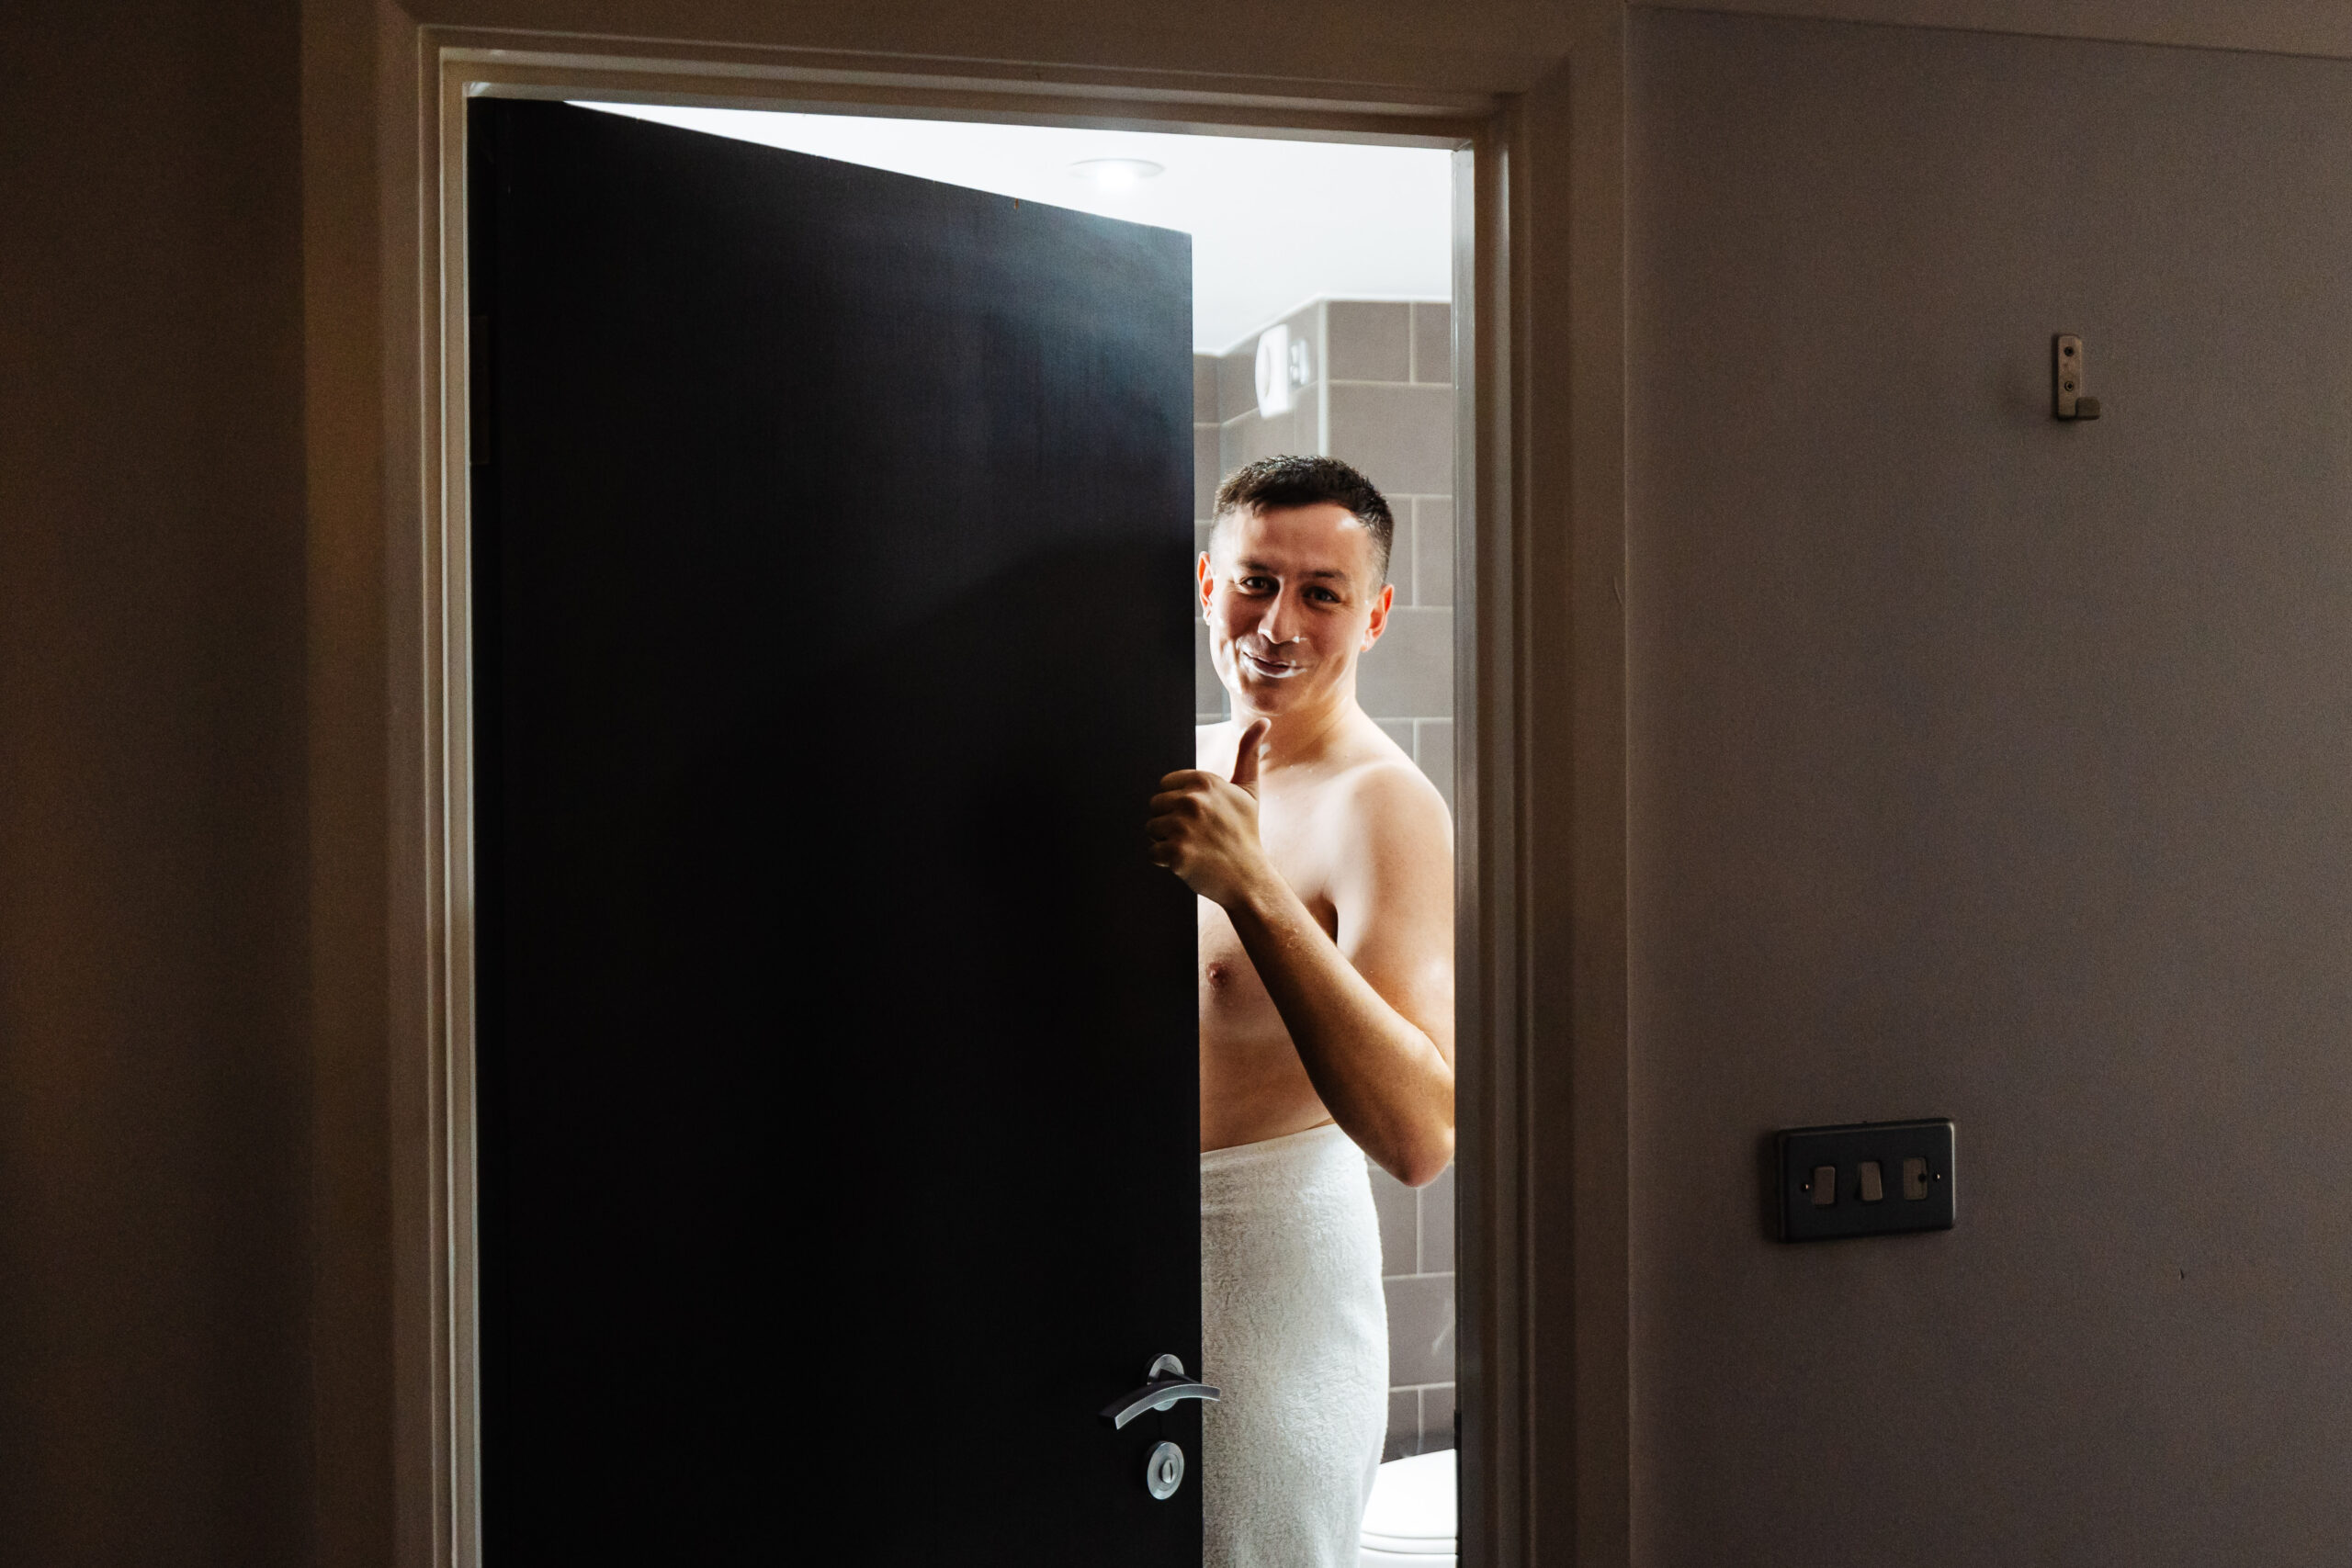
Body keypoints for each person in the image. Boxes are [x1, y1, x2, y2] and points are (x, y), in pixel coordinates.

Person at [1145, 455, 1455, 1568]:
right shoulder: (1182, 762)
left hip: (1273, 1279)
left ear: (1371, 614)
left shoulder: (1385, 805)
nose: (1277, 622)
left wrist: (1253, 885)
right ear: (1202, 580)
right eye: (1253, 581)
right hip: (1133, 1263)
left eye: (1321, 592)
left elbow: (1422, 1134)